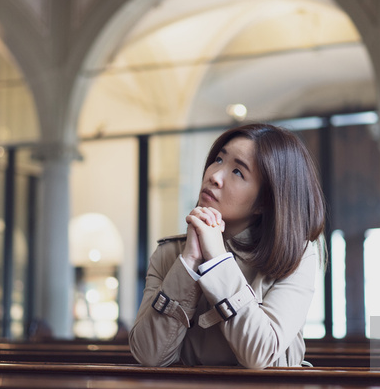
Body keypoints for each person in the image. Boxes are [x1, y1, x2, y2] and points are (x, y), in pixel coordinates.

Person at [129, 123, 326, 369]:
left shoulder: (296, 257)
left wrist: (217, 261)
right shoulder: (170, 254)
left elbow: (259, 353)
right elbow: (148, 355)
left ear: (265, 202)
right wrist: (189, 263)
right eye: (219, 159)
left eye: (237, 172)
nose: (214, 176)